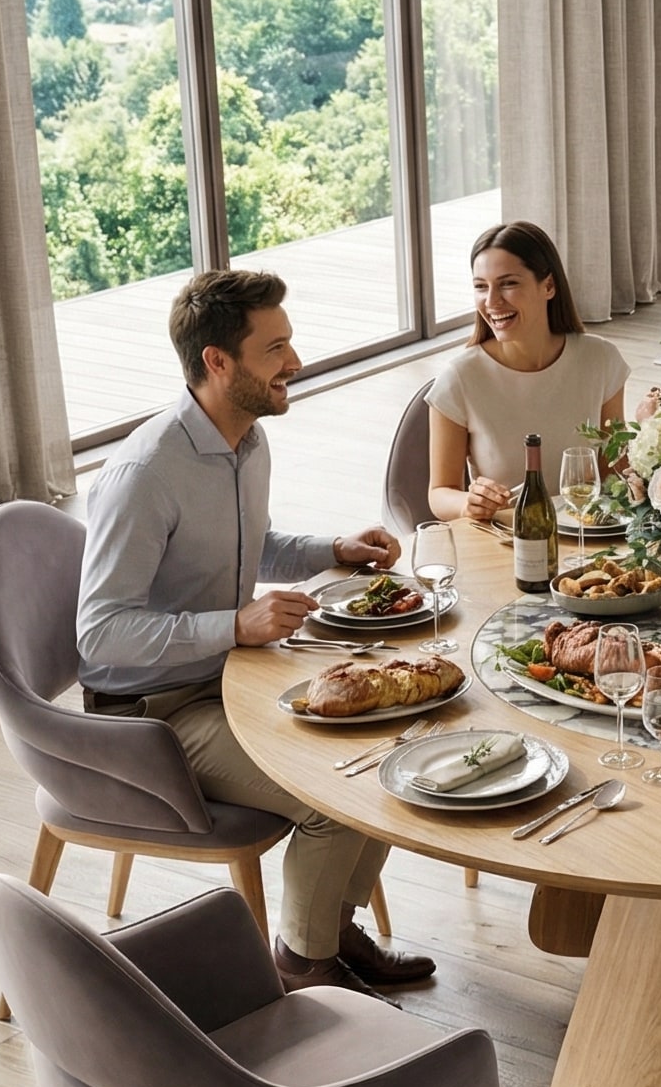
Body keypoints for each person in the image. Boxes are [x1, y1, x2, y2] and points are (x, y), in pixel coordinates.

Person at [77, 269, 435, 1000]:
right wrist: (235, 624)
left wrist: (329, 551)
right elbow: (99, 634)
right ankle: (303, 967)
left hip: (228, 674)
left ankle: (327, 934)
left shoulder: (245, 442)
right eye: (276, 349)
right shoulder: (146, 474)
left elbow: (249, 545)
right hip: (153, 713)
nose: (294, 363)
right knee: (333, 794)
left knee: (392, 740)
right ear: (218, 362)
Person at [428, 223, 627, 526]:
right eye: (481, 286)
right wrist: (469, 503)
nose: (492, 301)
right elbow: (440, 492)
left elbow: (615, 475)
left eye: (508, 283)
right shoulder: (460, 379)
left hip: (585, 535)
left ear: (548, 286)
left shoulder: (600, 361)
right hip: (504, 539)